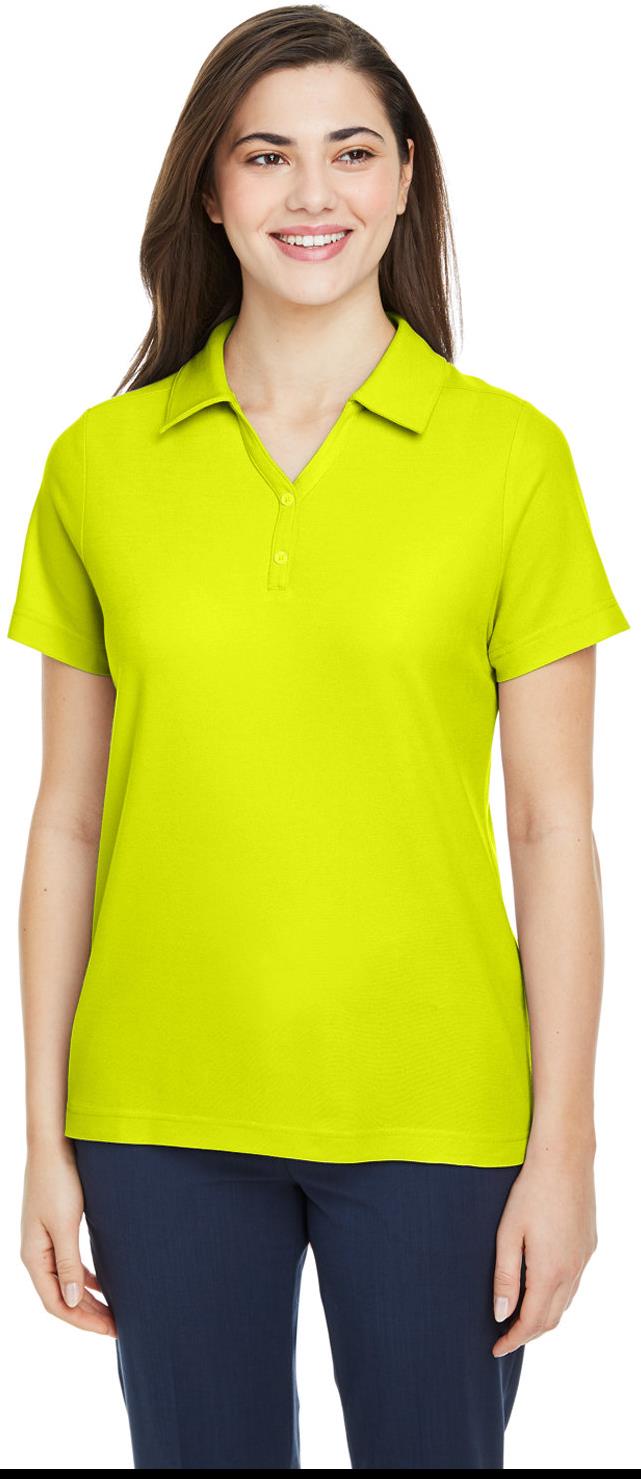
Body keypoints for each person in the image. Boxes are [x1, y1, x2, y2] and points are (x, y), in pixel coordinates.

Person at [7, 6, 631, 1471]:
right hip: (158, 1107)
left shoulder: (512, 459)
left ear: (406, 178)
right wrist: (42, 1137)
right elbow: (66, 820)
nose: (312, 193)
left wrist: (566, 1148)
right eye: (266, 155)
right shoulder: (100, 465)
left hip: (437, 1110)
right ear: (210, 188)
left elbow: (554, 828)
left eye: (351, 153)